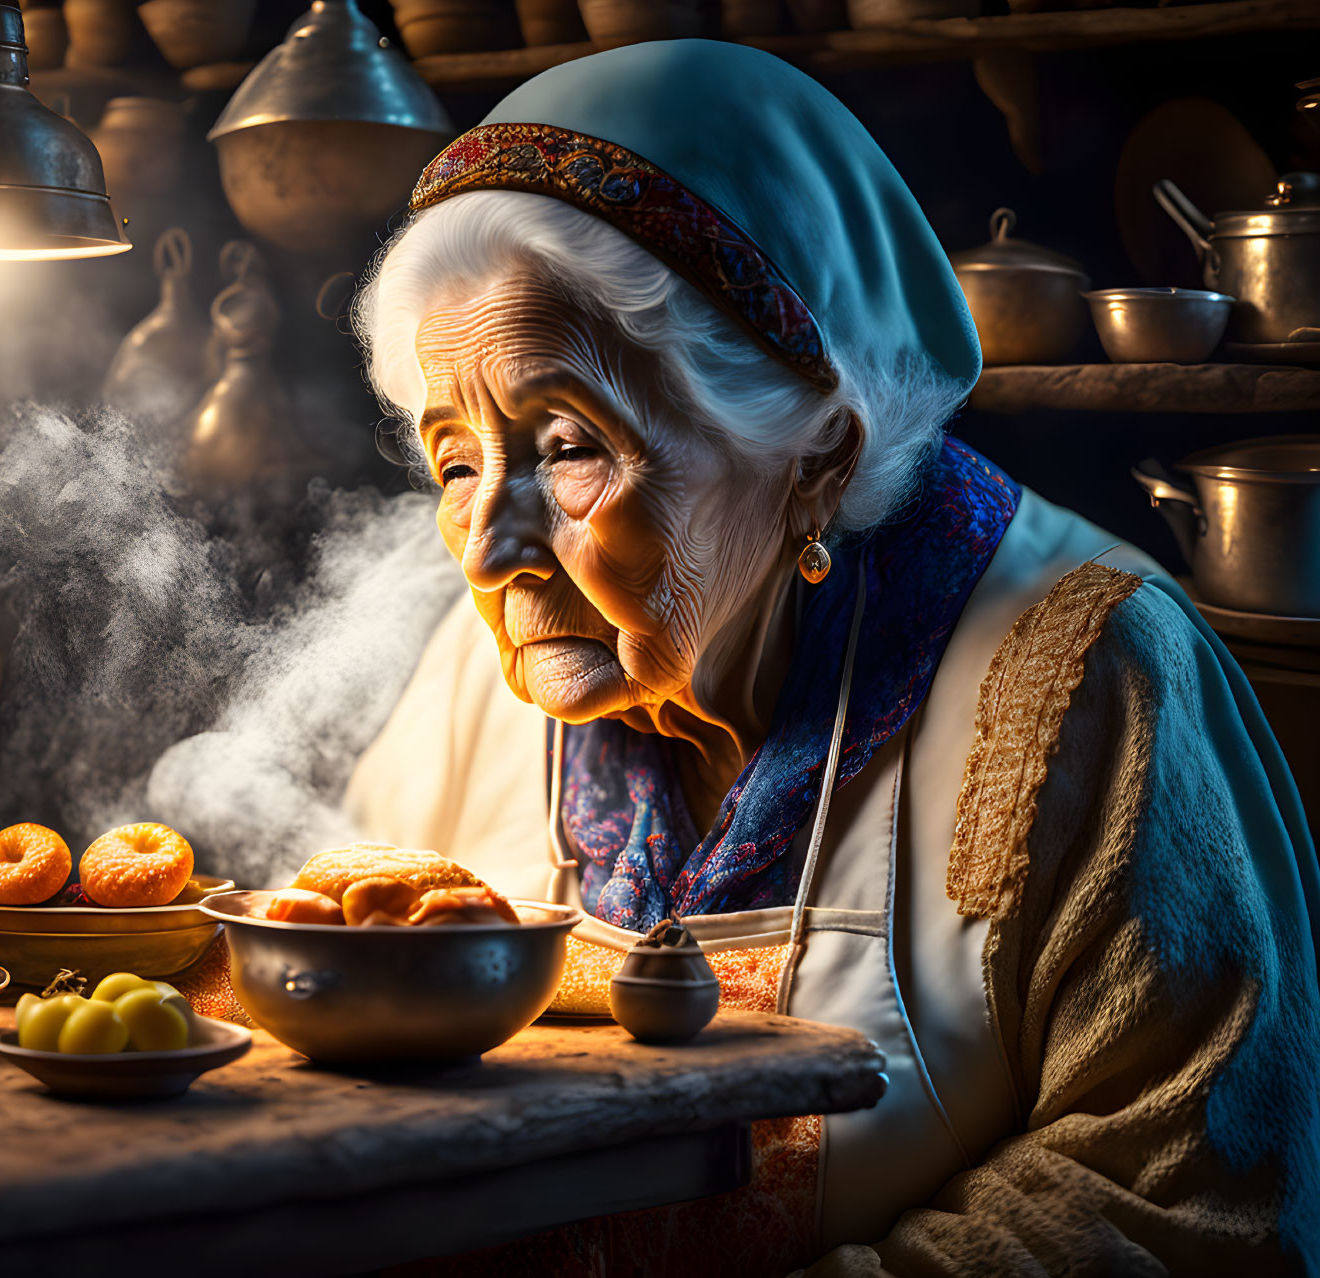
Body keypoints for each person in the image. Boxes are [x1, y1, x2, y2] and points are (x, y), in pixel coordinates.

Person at [344, 40, 1320, 1275]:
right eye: (455, 462)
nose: (488, 550)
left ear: (813, 457)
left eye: (564, 446)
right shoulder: (479, 675)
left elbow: (1186, 1202)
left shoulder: (1087, 674)